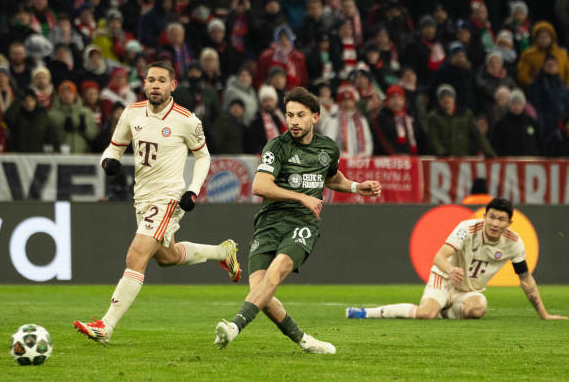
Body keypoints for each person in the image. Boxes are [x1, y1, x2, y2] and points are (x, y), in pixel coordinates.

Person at [73, 62, 242, 345]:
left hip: (168, 198)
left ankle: (106, 326)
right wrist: (109, 160)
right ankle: (222, 252)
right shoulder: (132, 113)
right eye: (151, 79)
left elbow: (203, 156)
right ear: (144, 83)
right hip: (142, 197)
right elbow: (115, 146)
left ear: (172, 85)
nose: (155, 85)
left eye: (161, 80)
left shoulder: (187, 120)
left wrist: (193, 190)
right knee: (167, 257)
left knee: (136, 256)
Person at [213, 86, 382, 354]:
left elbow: (331, 177)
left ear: (315, 117)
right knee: (259, 291)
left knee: (276, 270)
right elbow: (259, 185)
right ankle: (304, 341)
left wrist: (355, 186)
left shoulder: (327, 148)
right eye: (290, 115)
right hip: (269, 223)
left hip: (303, 224)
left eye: (300, 115)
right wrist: (301, 196)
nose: (293, 121)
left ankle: (234, 326)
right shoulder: (277, 146)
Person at [346, 198, 568, 321]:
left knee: (478, 308)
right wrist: (450, 270)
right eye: (491, 217)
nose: (494, 223)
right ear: (485, 216)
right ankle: (366, 313)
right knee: (426, 314)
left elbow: (526, 280)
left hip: (468, 290)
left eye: (501, 219)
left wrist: (544, 315)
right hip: (444, 278)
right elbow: (439, 257)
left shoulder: (514, 243)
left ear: (509, 223)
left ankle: (444, 311)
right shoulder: (467, 229)